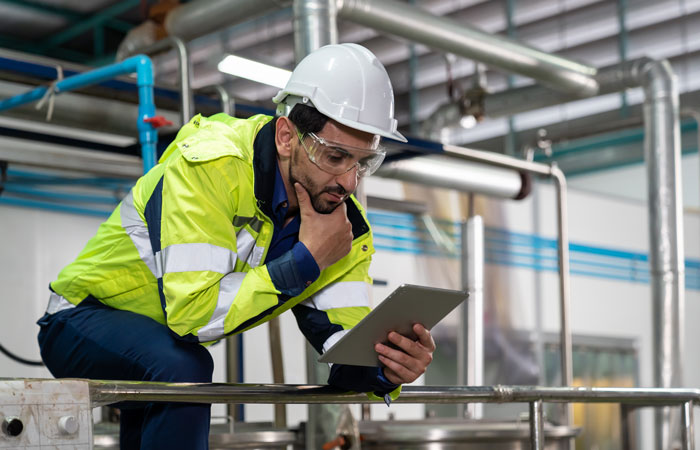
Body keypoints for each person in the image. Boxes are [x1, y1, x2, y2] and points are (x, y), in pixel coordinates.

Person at [36, 43, 435, 450]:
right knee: (183, 369)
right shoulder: (211, 166)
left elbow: (346, 352)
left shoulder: (342, 228)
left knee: (173, 372)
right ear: (286, 137)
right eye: (335, 156)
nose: (350, 183)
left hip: (159, 347)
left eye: (364, 162)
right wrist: (303, 262)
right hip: (80, 319)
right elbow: (193, 315)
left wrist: (388, 367)